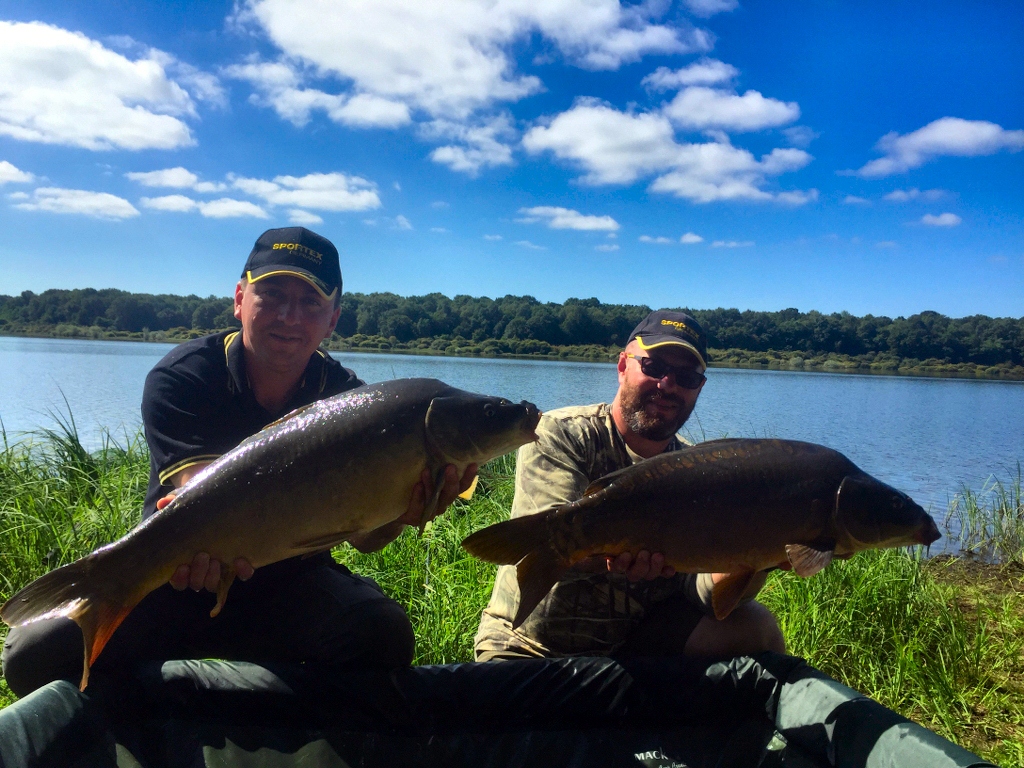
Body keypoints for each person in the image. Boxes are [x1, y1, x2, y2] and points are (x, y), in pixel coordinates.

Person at [3, 226, 473, 697]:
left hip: (292, 583)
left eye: (311, 302)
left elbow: (366, 539)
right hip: (174, 575)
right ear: (239, 298)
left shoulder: (352, 402)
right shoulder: (183, 375)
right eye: (271, 294)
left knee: (382, 636)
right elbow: (203, 503)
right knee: (36, 652)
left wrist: (401, 513)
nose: (290, 316)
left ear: (332, 320)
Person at [475, 310, 785, 662]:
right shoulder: (560, 431)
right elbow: (547, 544)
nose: (668, 384)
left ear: (699, 388)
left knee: (757, 624)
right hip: (530, 647)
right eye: (653, 367)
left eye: (686, 377)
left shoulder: (697, 470)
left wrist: (762, 553)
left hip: (632, 651)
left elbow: (699, 593)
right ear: (623, 365)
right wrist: (614, 549)